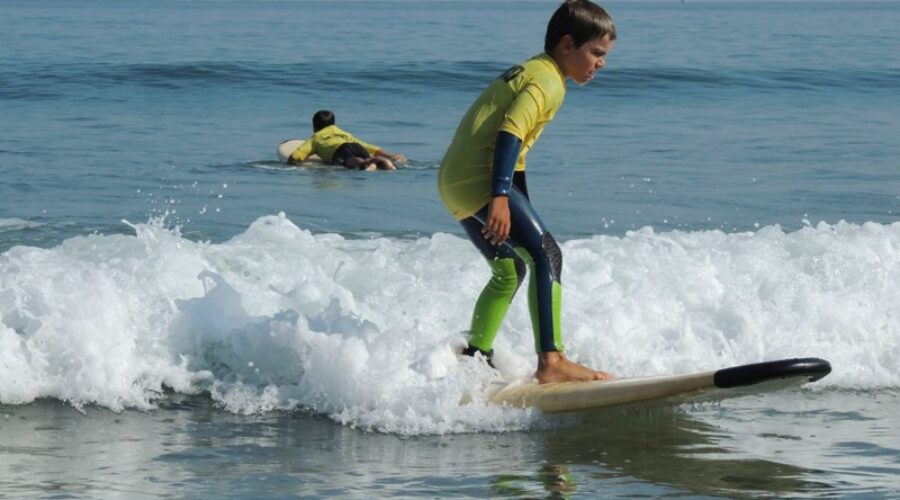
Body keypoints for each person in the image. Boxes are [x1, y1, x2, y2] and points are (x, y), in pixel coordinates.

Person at [438, 0, 616, 384]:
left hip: (454, 181)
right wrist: (500, 197)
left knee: (510, 269)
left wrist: (516, 202)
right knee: (547, 255)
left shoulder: (534, 67)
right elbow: (510, 133)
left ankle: (475, 356)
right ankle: (551, 361)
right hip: (480, 180)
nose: (601, 63)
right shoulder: (548, 81)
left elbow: (514, 150)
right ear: (567, 45)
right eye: (596, 53)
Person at [289, 110, 406, 170]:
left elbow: (296, 155)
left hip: (339, 151)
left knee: (351, 160)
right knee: (369, 157)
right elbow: (368, 146)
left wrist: (290, 163)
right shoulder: (344, 133)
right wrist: (390, 155)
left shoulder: (316, 138)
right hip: (354, 145)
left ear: (315, 127)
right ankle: (383, 161)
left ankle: (364, 164)